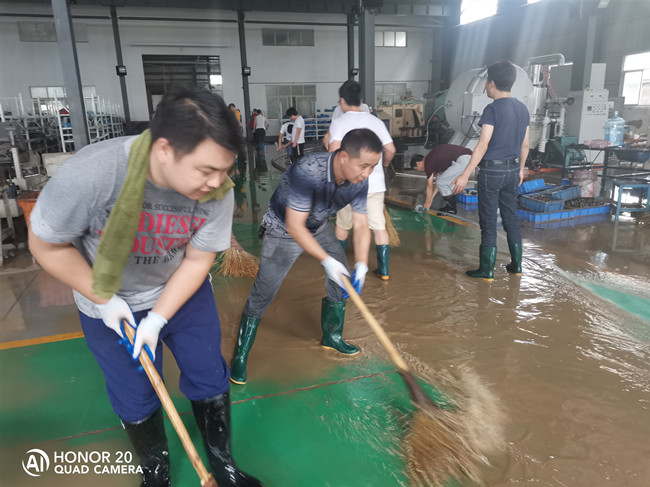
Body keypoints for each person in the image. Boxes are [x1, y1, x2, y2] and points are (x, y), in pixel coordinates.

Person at [28, 87, 264, 487]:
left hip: (181, 290)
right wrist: (103, 299)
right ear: (164, 149)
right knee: (134, 393)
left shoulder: (217, 189)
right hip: (107, 297)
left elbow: (197, 260)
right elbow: (45, 245)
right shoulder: (93, 176)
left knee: (208, 373)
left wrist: (157, 318)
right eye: (206, 170)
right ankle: (156, 472)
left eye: (224, 170)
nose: (217, 182)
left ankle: (222, 463)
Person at [229, 128, 383, 385]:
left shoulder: (359, 180)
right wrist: (326, 260)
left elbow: (360, 223)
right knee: (263, 291)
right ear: (343, 156)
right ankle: (240, 354)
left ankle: (332, 336)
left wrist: (362, 264)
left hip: (318, 227)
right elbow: (294, 226)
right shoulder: (308, 170)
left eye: (373, 167)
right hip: (282, 230)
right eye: (364, 166)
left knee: (342, 279)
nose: (368, 173)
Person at [452, 60, 530, 281]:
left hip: (492, 172)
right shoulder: (522, 108)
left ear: (492, 83)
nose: (486, 86)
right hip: (513, 169)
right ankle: (517, 266)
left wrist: (464, 174)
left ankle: (486, 270)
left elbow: (482, 145)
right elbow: (525, 144)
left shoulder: (492, 109)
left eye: (487, 82)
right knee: (510, 218)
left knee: (488, 221)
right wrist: (521, 169)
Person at [327, 80, 396, 281]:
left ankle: (340, 268)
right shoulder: (376, 122)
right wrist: (383, 165)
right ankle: (384, 271)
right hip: (375, 183)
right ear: (361, 100)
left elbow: (333, 151)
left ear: (342, 101)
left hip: (348, 182)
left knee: (343, 225)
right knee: (379, 226)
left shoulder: (340, 122)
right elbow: (391, 149)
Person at [410, 144, 473, 215]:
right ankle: (450, 208)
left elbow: (429, 185)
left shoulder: (428, 162)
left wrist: (427, 203)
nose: (419, 171)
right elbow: (438, 184)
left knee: (442, 182)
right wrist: (431, 198)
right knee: (445, 183)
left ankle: (451, 209)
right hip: (468, 157)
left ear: (418, 164)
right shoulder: (435, 162)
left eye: (417, 169)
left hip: (465, 158)